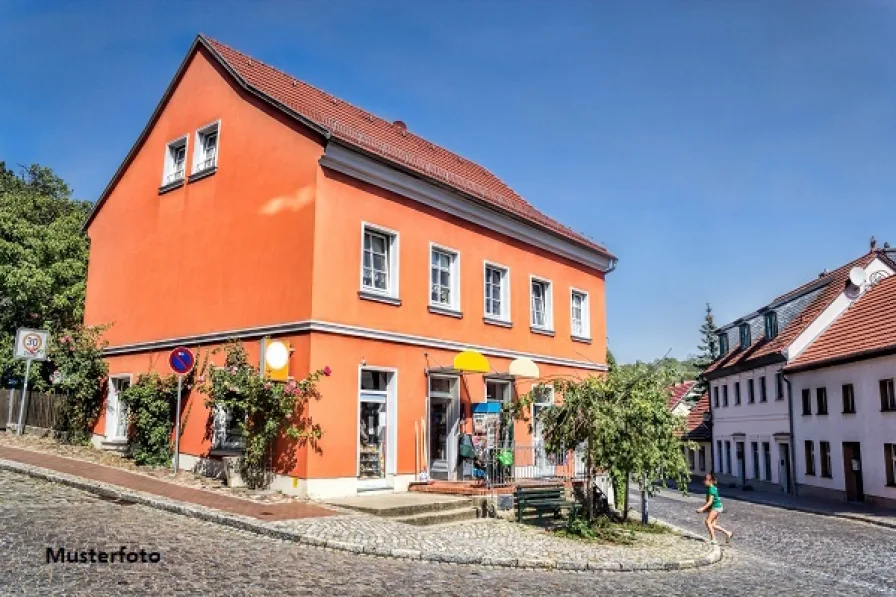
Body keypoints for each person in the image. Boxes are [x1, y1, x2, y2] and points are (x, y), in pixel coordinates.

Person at [696, 472, 733, 545]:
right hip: (717, 507)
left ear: (711, 481)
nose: (704, 481)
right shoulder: (710, 488)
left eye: (706, 479)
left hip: (716, 507)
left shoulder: (711, 489)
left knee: (707, 521)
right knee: (713, 525)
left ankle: (713, 539)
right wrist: (706, 508)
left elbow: (710, 502)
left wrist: (702, 509)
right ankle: (728, 533)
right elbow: (709, 502)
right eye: (704, 479)